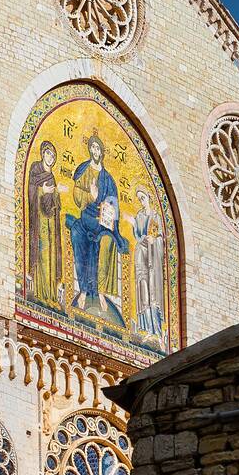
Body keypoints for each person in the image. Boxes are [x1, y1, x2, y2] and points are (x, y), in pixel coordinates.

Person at [66, 133, 128, 315]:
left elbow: (114, 203)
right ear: (89, 149)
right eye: (92, 147)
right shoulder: (85, 170)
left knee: (108, 242)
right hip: (86, 218)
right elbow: (77, 194)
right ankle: (83, 289)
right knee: (77, 234)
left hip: (102, 223)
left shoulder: (107, 179)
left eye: (98, 148)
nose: (95, 150)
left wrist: (108, 209)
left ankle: (101, 291)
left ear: (101, 152)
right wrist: (90, 196)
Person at [26, 141, 63, 305]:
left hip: (50, 221)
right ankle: (40, 292)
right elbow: (31, 189)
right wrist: (43, 190)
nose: (51, 158)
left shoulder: (52, 176)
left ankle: (51, 295)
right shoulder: (35, 168)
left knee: (51, 253)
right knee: (42, 253)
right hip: (39, 219)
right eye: (48, 154)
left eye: (53, 156)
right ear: (42, 154)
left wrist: (56, 193)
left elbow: (55, 202)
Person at [132, 185, 165, 340]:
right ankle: (147, 329)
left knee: (153, 292)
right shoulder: (139, 216)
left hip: (153, 257)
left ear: (149, 198)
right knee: (143, 289)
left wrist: (154, 240)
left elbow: (160, 237)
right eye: (139, 199)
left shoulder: (156, 216)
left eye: (143, 198)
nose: (141, 201)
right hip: (142, 255)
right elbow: (137, 235)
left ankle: (157, 330)